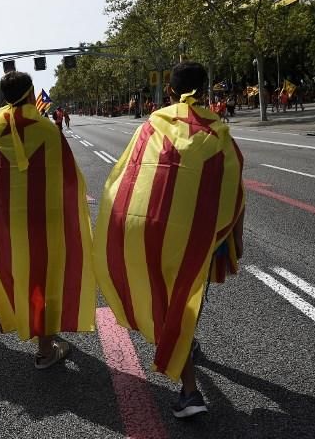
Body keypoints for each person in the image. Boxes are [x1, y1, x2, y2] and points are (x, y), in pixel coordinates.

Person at [93, 62, 245, 419]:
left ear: (170, 92)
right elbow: (234, 189)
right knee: (185, 295)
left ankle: (184, 349)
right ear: (205, 90)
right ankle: (190, 389)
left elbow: (124, 176)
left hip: (144, 226)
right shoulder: (218, 132)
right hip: (193, 232)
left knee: (164, 296)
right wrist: (233, 238)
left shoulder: (151, 125)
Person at [0, 71, 97, 369]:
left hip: (12, 221)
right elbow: (68, 176)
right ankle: (45, 351)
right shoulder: (46, 129)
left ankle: (45, 332)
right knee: (50, 276)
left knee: (26, 274)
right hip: (48, 218)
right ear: (31, 94)